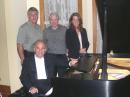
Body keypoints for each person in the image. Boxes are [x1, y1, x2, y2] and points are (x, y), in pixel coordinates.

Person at [43, 12, 69, 77]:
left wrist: (68, 51)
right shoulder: (46, 31)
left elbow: (69, 42)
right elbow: (44, 44)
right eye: (52, 19)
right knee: (51, 77)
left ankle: (62, 87)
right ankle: (52, 87)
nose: (53, 21)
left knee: (63, 78)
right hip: (50, 56)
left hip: (62, 56)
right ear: (49, 21)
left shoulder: (64, 29)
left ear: (58, 20)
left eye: (55, 19)